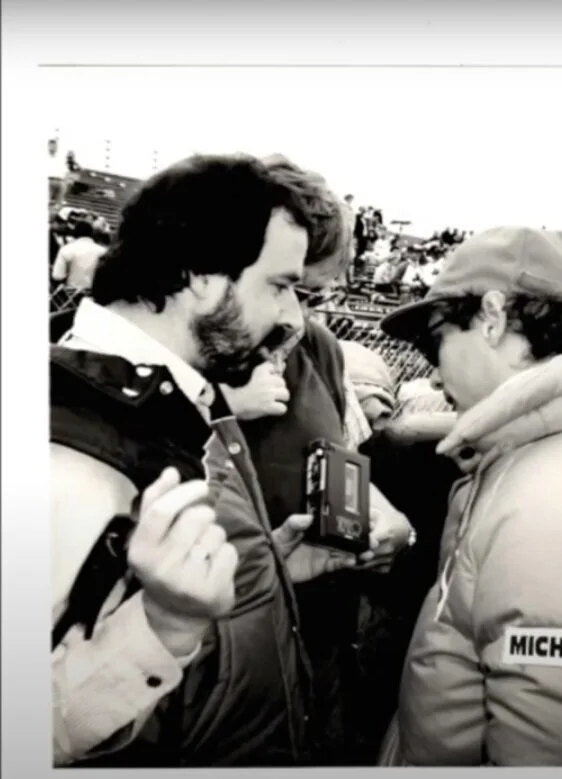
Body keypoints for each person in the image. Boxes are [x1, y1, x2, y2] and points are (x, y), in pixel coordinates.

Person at [51, 153, 357, 768]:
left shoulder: (164, 403)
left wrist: (264, 566)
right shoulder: (66, 451)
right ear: (199, 277)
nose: (290, 316)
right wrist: (166, 622)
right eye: (279, 285)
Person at [379, 226, 562, 766]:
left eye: (433, 338)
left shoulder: (558, 510)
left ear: (492, 319)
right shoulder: (556, 461)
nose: (431, 363)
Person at [219, 156, 415, 766]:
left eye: (315, 296)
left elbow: (348, 457)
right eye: (289, 288)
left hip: (316, 645)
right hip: (213, 665)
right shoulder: (173, 358)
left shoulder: (323, 348)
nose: (296, 317)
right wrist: (217, 407)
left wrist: (395, 529)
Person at [51, 218, 107, 292]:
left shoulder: (66, 249)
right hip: (94, 295)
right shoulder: (103, 251)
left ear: (75, 233)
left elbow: (57, 276)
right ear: (91, 234)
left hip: (70, 295)